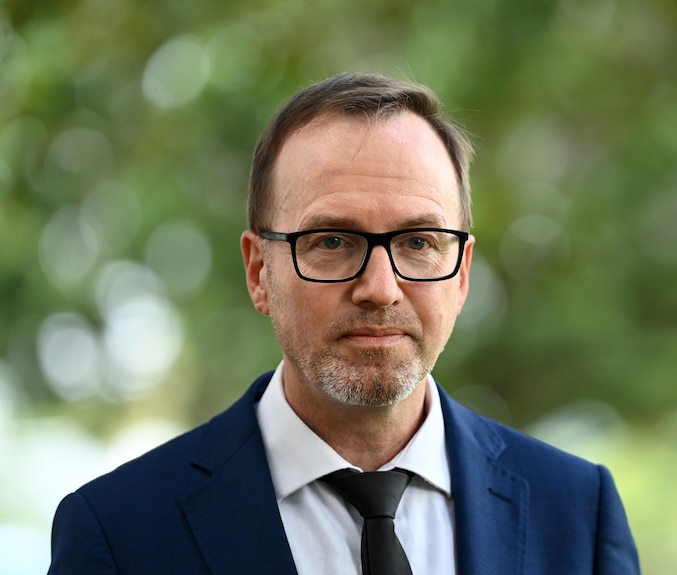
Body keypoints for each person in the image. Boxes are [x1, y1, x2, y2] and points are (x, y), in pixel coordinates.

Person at [48, 72, 641, 574]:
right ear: (259, 272)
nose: (380, 289)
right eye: (331, 240)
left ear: (462, 273)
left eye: (419, 241)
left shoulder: (577, 514)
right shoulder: (119, 534)